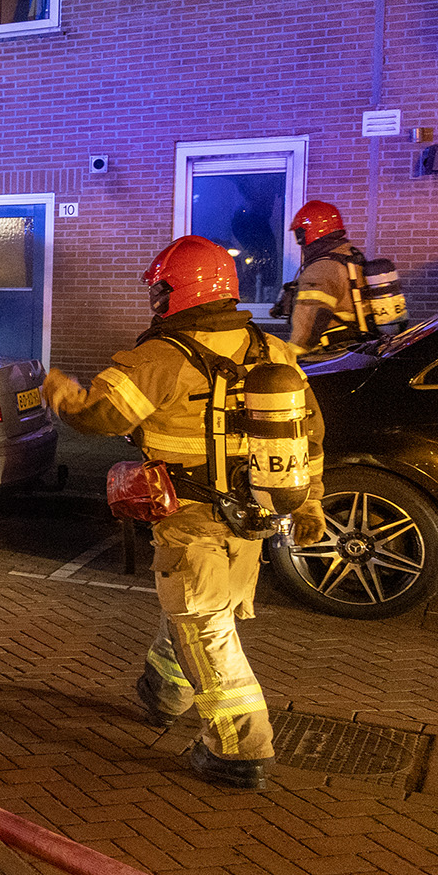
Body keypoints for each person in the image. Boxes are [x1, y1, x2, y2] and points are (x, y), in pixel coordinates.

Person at [42, 235, 326, 791]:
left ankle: (240, 749)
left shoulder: (162, 357)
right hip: (254, 516)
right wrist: (311, 499)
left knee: (206, 625)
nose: (155, 301)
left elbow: (100, 415)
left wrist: (61, 392)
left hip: (192, 518)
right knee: (201, 612)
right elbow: (308, 433)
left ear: (180, 292)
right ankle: (166, 689)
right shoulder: (273, 352)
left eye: (160, 290)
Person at [276, 200, 371, 351]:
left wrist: (291, 356)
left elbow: (307, 330)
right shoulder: (350, 257)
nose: (299, 240)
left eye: (299, 233)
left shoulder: (321, 269)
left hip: (329, 353)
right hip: (356, 347)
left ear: (308, 232)